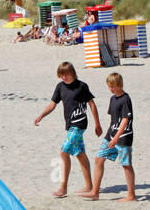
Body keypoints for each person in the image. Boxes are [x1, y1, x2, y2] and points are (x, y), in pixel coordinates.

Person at [34, 61, 101, 198]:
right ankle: (89, 185)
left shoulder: (82, 86)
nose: (64, 77)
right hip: (70, 125)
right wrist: (41, 115)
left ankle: (63, 188)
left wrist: (97, 124)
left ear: (72, 73)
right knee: (79, 153)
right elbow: (53, 104)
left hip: (79, 124)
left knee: (64, 151)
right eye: (61, 75)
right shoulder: (60, 87)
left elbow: (92, 104)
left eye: (66, 75)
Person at [82, 72, 135, 201]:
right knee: (99, 158)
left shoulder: (125, 98)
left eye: (113, 86)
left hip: (124, 137)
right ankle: (95, 192)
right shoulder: (113, 99)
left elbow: (125, 120)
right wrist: (107, 135)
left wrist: (116, 137)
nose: (111, 89)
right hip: (111, 135)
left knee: (126, 164)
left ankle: (131, 195)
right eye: (109, 86)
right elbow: (113, 120)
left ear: (119, 85)